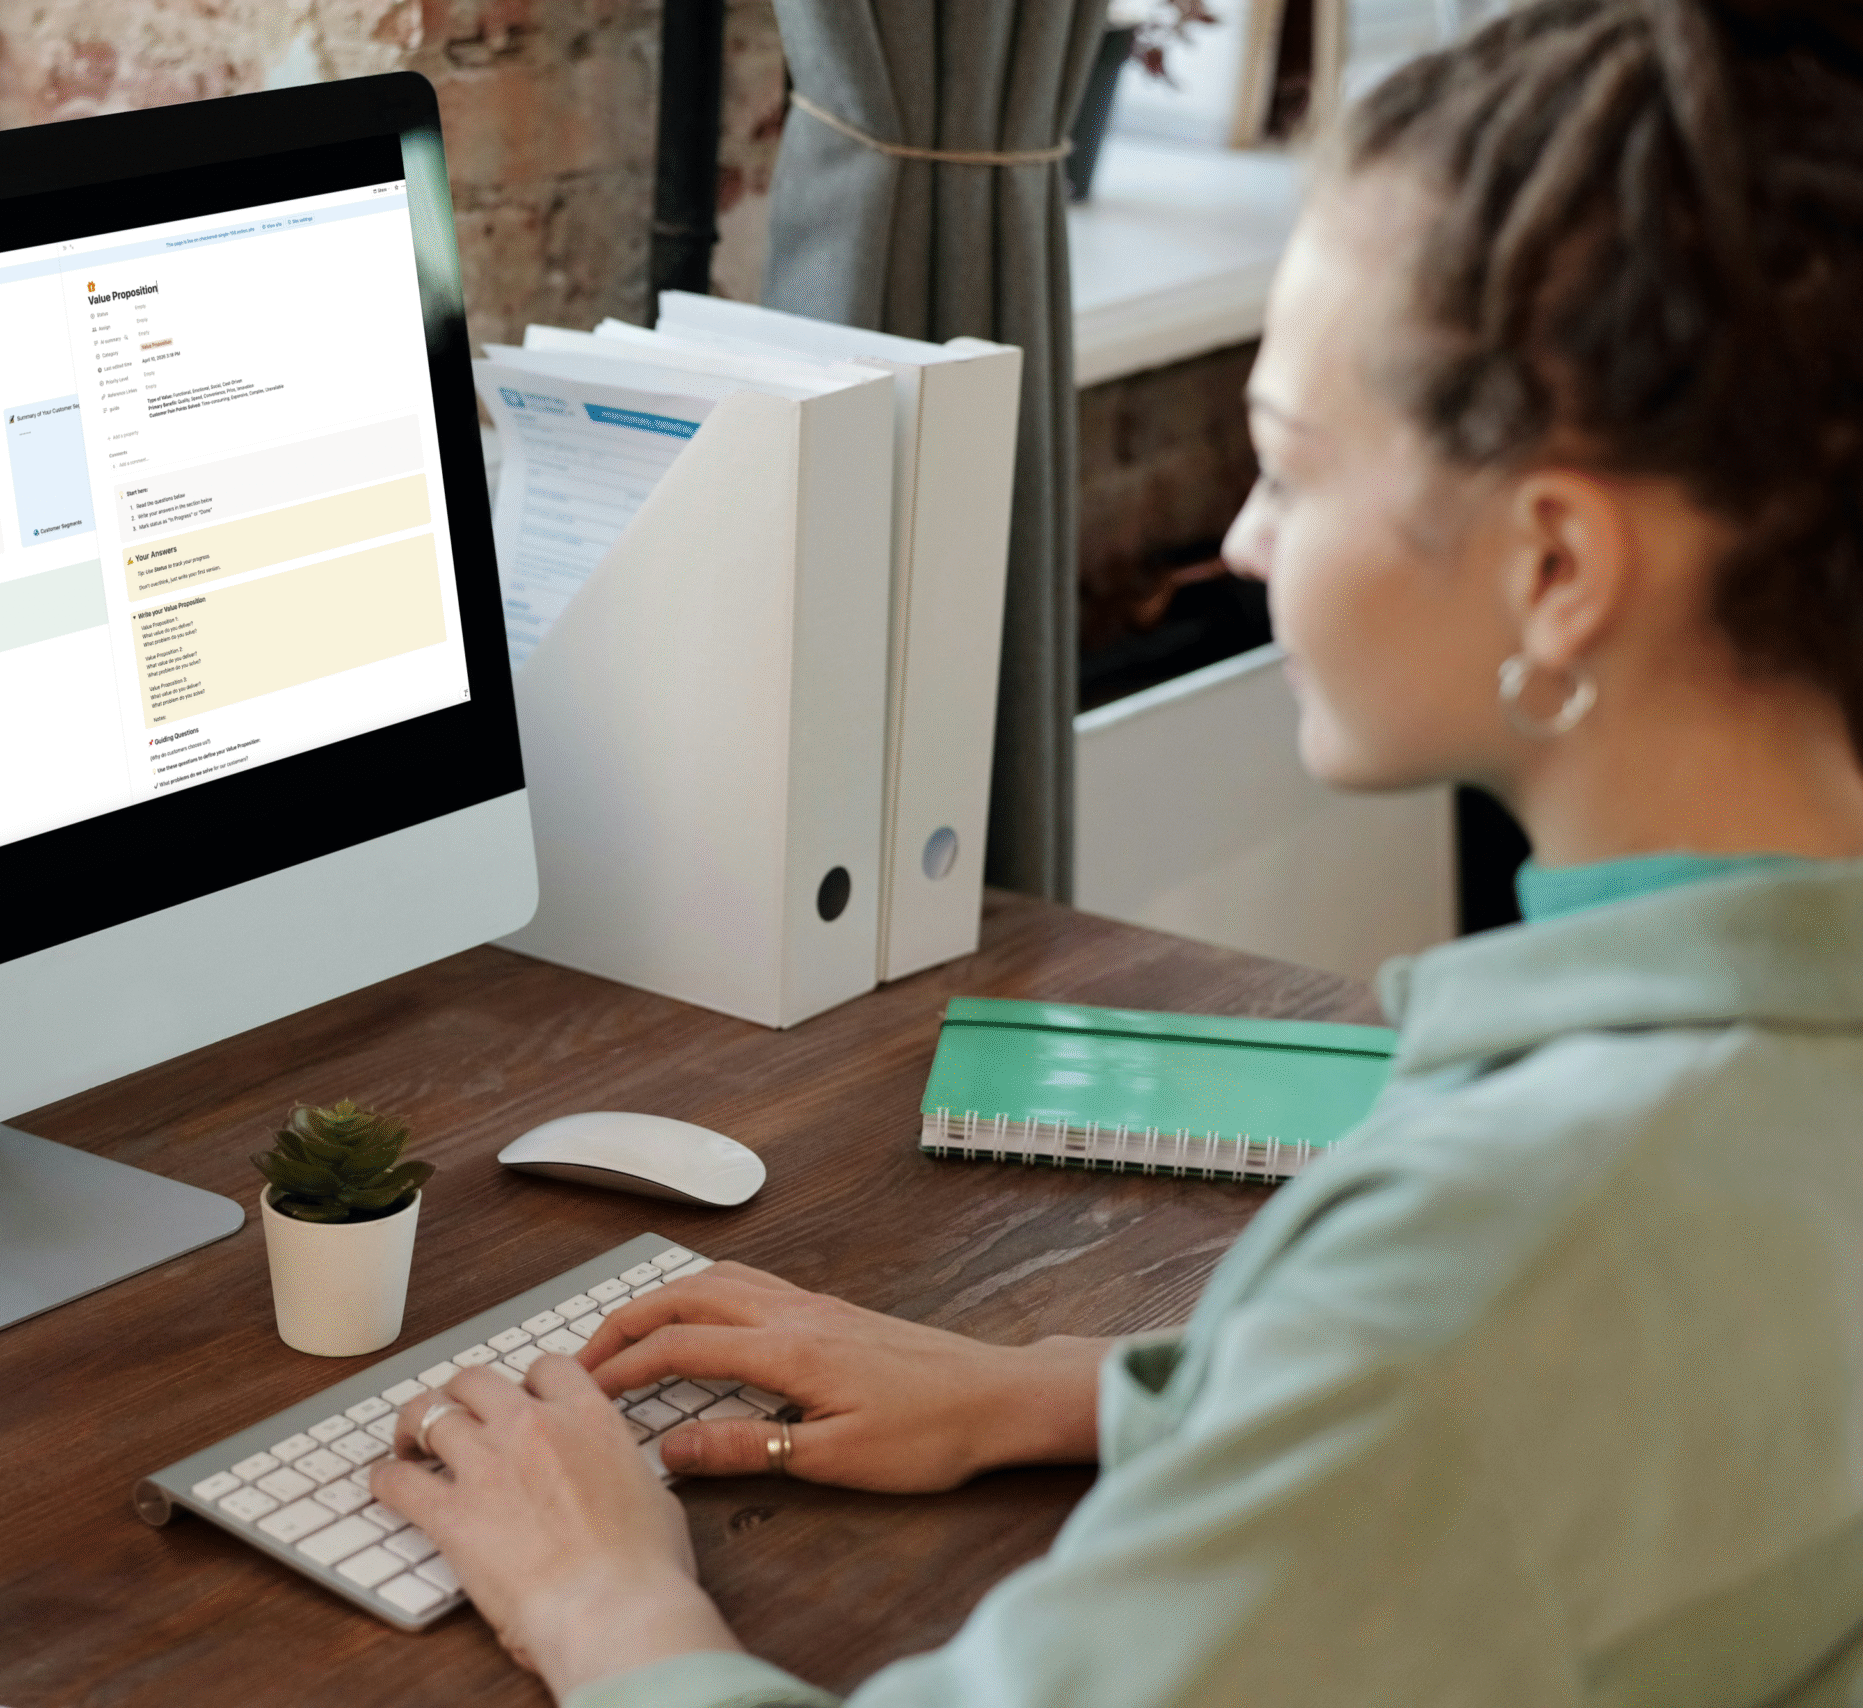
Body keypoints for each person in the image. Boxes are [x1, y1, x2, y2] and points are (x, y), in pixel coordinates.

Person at [363, 1, 1863, 1701]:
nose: (1242, 536)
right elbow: (1597, 1418)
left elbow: (1475, 1368)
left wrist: (604, 1602)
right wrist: (1064, 1384)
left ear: (1559, 570)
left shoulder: (1502, 1256)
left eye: (1289, 468)